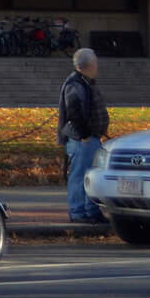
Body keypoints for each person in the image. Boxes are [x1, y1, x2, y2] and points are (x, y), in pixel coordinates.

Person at [59, 47, 110, 224]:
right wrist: (85, 135)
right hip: (82, 139)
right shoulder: (76, 84)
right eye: (95, 62)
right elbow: (74, 110)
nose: (97, 66)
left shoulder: (84, 82)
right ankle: (79, 211)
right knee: (81, 175)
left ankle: (90, 210)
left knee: (90, 175)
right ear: (88, 65)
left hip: (89, 138)